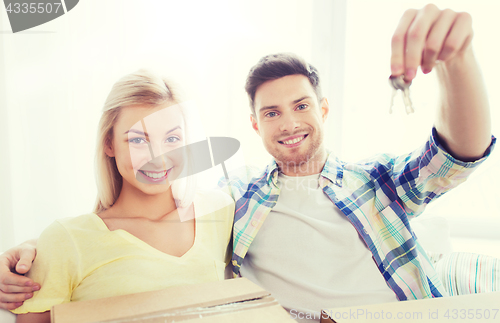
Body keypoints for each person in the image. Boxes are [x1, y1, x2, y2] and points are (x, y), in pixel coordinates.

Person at [0, 4, 496, 323]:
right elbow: (142, 209)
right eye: (272, 112)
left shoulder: (378, 180)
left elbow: (456, 156)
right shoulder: (236, 197)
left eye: (301, 105)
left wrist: (459, 60)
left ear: (323, 109)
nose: (290, 123)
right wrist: (35, 251)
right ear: (255, 126)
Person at [1, 70, 234, 323]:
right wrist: (38, 249)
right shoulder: (65, 240)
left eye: (172, 138)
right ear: (109, 144)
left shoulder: (219, 210)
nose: (159, 158)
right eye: (137, 140)